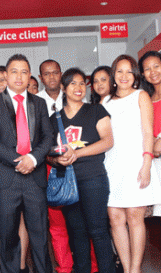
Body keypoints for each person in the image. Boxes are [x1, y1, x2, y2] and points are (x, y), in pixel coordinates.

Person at [0, 54, 53, 273]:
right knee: (8, 237)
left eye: (24, 72)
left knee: (40, 236)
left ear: (30, 75)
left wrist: (32, 158)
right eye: (14, 71)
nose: (19, 76)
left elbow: (48, 138)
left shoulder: (39, 103)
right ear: (5, 75)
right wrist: (19, 160)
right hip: (6, 179)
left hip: (35, 178)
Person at [49, 67, 115, 273]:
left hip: (93, 179)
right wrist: (59, 160)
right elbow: (48, 154)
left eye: (81, 83)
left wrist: (77, 154)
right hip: (68, 183)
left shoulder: (96, 110)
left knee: (98, 231)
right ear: (63, 88)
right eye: (72, 84)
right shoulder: (54, 119)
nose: (78, 88)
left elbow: (107, 142)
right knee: (77, 233)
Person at [103, 54, 161, 273]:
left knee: (134, 217)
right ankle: (126, 268)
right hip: (111, 166)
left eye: (129, 71)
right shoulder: (105, 101)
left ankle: (135, 269)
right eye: (119, 71)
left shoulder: (141, 96)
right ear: (113, 75)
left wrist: (146, 163)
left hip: (136, 164)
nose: (124, 75)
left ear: (136, 75)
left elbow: (148, 131)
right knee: (115, 218)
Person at [38, 59, 98, 273]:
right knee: (58, 223)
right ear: (40, 78)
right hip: (51, 168)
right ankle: (65, 266)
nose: (51, 76)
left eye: (55, 72)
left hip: (82, 168)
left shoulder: (80, 101)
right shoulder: (35, 102)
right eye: (47, 73)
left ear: (61, 76)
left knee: (86, 220)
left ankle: (91, 265)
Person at [0, 65, 29, 273]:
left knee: (19, 219)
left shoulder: (23, 106)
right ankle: (1, 265)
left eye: (2, 79)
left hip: (22, 171)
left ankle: (20, 266)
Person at [139, 50, 161, 272]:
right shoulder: (146, 101)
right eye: (147, 68)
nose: (153, 72)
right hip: (159, 167)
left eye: (156, 66)